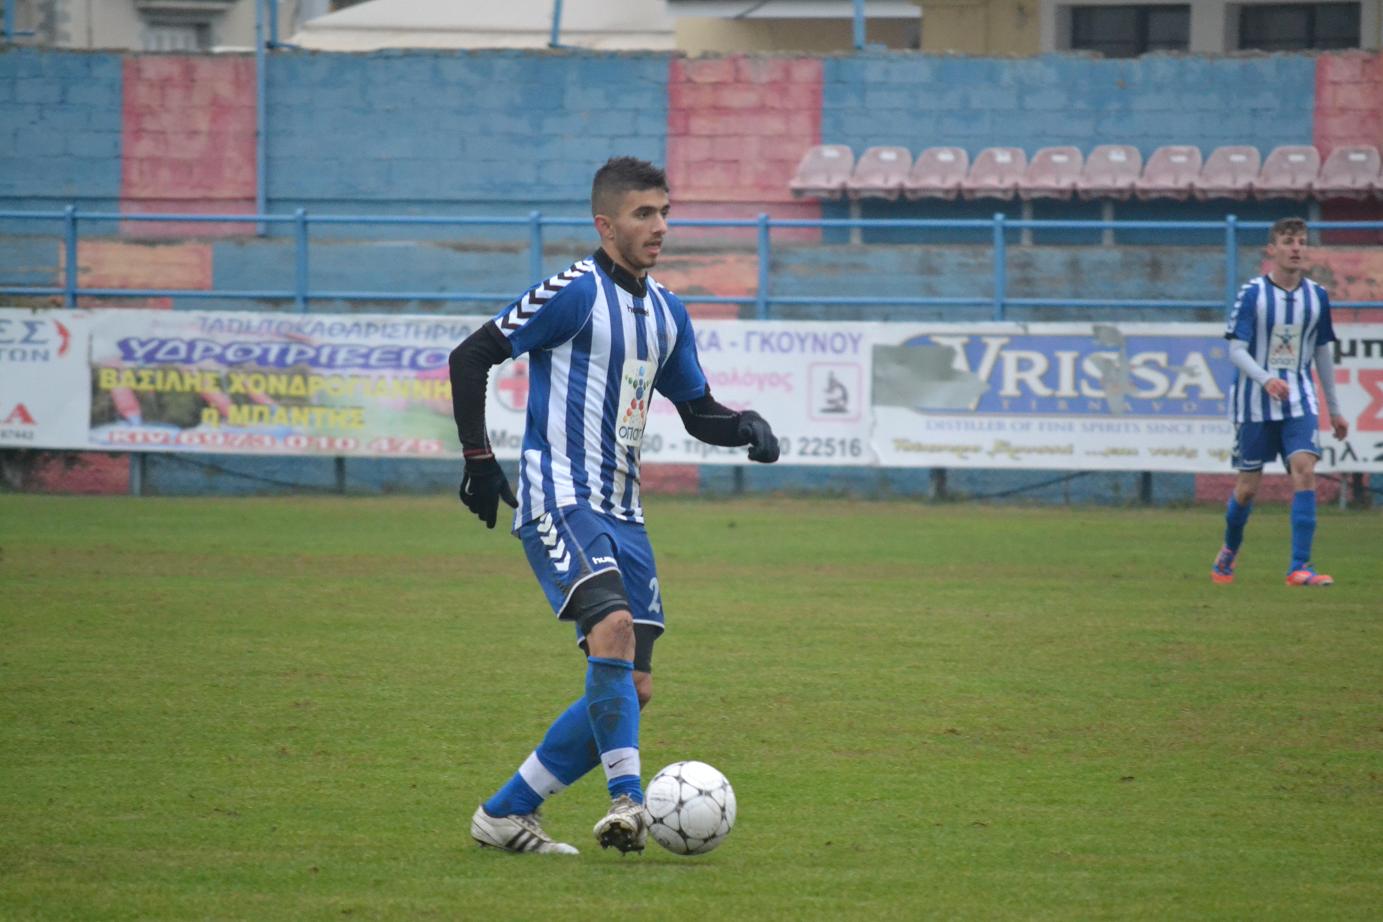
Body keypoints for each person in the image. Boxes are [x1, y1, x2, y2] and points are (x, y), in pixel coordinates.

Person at [448, 156, 780, 855]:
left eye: (664, 213)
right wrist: (479, 459)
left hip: (624, 511)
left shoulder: (667, 312)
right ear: (605, 225)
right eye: (642, 214)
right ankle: (628, 802)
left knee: (636, 685)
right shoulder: (573, 293)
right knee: (614, 627)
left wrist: (743, 425)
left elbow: (696, 410)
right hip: (559, 496)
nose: (659, 227)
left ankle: (505, 814)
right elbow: (471, 356)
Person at [1212, 216, 1348, 587]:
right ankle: (1229, 549)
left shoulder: (1317, 296)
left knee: (1304, 470)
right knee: (1247, 490)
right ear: (1272, 249)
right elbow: (1236, 350)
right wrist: (1266, 379)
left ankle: (1299, 567)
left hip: (1299, 399)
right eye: (1288, 242)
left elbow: (1321, 352)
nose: (1296, 248)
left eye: (1301, 241)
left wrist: (1335, 410)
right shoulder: (1253, 294)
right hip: (1254, 401)